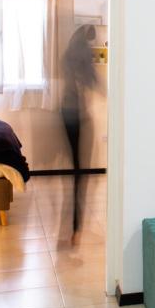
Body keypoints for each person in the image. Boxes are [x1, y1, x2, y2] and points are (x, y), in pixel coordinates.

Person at [61, 24, 97, 243]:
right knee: (80, 173)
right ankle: (76, 229)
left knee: (77, 170)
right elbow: (90, 81)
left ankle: (75, 228)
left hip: (65, 112)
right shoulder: (84, 51)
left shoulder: (68, 53)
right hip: (79, 114)